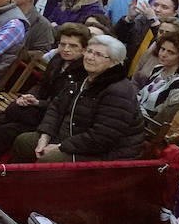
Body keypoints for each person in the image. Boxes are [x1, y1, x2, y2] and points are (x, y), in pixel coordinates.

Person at [0, 23, 89, 163]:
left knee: (7, 130)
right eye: (63, 44)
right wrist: (29, 96)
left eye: (73, 46)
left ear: (84, 49)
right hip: (39, 107)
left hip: (54, 119)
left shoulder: (83, 73)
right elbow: (41, 84)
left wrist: (38, 103)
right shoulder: (57, 60)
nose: (66, 49)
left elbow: (65, 104)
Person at [12, 34, 144, 162]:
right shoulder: (82, 77)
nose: (90, 57)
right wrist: (45, 136)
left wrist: (60, 147)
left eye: (98, 55)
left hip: (103, 153)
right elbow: (56, 107)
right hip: (69, 137)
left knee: (49, 161)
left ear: (114, 63)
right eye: (89, 51)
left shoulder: (119, 91)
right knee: (24, 142)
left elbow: (102, 137)